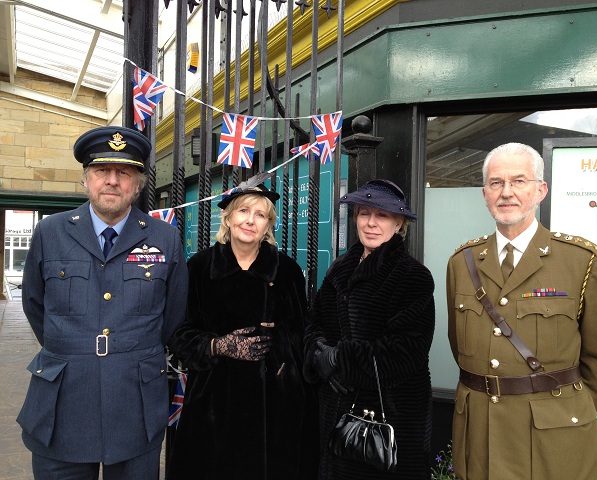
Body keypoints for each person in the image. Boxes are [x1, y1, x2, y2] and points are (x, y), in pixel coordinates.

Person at [446, 142, 597, 480]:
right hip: (479, 439)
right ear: (485, 193)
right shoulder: (461, 263)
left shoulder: (581, 260)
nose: (507, 192)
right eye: (496, 183)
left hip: (554, 446)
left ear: (540, 190)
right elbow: (460, 348)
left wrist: (564, 413)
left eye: (519, 181)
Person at [18, 126, 188, 480]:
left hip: (134, 406)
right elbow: (34, 304)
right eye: (101, 171)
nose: (112, 181)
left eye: (124, 173)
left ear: (137, 184)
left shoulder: (165, 238)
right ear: (85, 180)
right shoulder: (51, 232)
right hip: (63, 403)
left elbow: (172, 314)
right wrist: (71, 346)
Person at [166, 184, 318, 480]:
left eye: (260, 215)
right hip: (213, 403)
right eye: (244, 211)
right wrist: (217, 345)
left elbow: (304, 335)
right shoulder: (199, 267)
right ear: (228, 217)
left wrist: (279, 346)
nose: (250, 220)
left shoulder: (286, 271)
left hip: (275, 405)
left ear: (268, 225)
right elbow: (179, 332)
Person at [304, 179, 436, 479]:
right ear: (355, 219)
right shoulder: (339, 268)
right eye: (364, 214)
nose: (372, 223)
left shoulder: (413, 276)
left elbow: (406, 353)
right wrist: (317, 353)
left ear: (399, 222)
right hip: (336, 415)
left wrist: (339, 360)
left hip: (390, 419)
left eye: (383, 215)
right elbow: (313, 324)